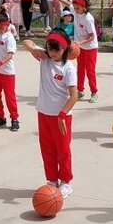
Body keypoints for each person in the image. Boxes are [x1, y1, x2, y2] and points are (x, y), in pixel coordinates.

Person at [22, 31, 79, 198]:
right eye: (50, 48)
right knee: (47, 149)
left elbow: (74, 95)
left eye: (57, 50)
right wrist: (34, 50)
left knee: (62, 150)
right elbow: (26, 41)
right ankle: (52, 180)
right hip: (43, 112)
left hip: (61, 116)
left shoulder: (68, 68)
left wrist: (62, 114)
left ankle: (66, 182)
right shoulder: (45, 58)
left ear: (65, 49)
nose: (53, 53)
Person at [0, 13, 20, 132]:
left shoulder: (9, 37)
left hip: (7, 73)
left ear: (7, 25)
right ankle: (0, 118)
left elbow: (10, 55)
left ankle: (15, 119)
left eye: (2, 27)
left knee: (10, 97)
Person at [71, 0, 99, 103]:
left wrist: (80, 42)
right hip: (80, 47)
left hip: (90, 47)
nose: (75, 9)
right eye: (74, 7)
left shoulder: (88, 18)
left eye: (78, 7)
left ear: (84, 7)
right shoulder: (75, 13)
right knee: (80, 69)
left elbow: (92, 36)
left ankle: (94, 92)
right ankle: (80, 90)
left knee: (90, 70)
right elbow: (66, 3)